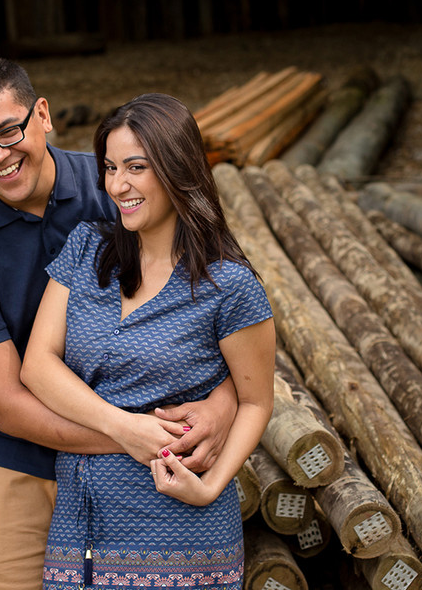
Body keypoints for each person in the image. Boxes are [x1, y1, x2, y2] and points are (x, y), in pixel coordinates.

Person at [0, 59, 240, 590]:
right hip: (15, 455)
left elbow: (228, 313)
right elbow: (7, 403)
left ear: (43, 115)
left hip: (141, 447)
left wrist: (223, 406)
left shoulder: (118, 188)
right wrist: (133, 435)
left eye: (7, 131)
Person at [20, 93, 275, 589]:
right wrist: (124, 428)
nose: (118, 185)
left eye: (136, 167)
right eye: (110, 167)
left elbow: (255, 401)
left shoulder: (229, 284)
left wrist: (210, 487)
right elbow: (38, 365)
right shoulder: (87, 248)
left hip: (182, 531)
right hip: (80, 528)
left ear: (178, 168)